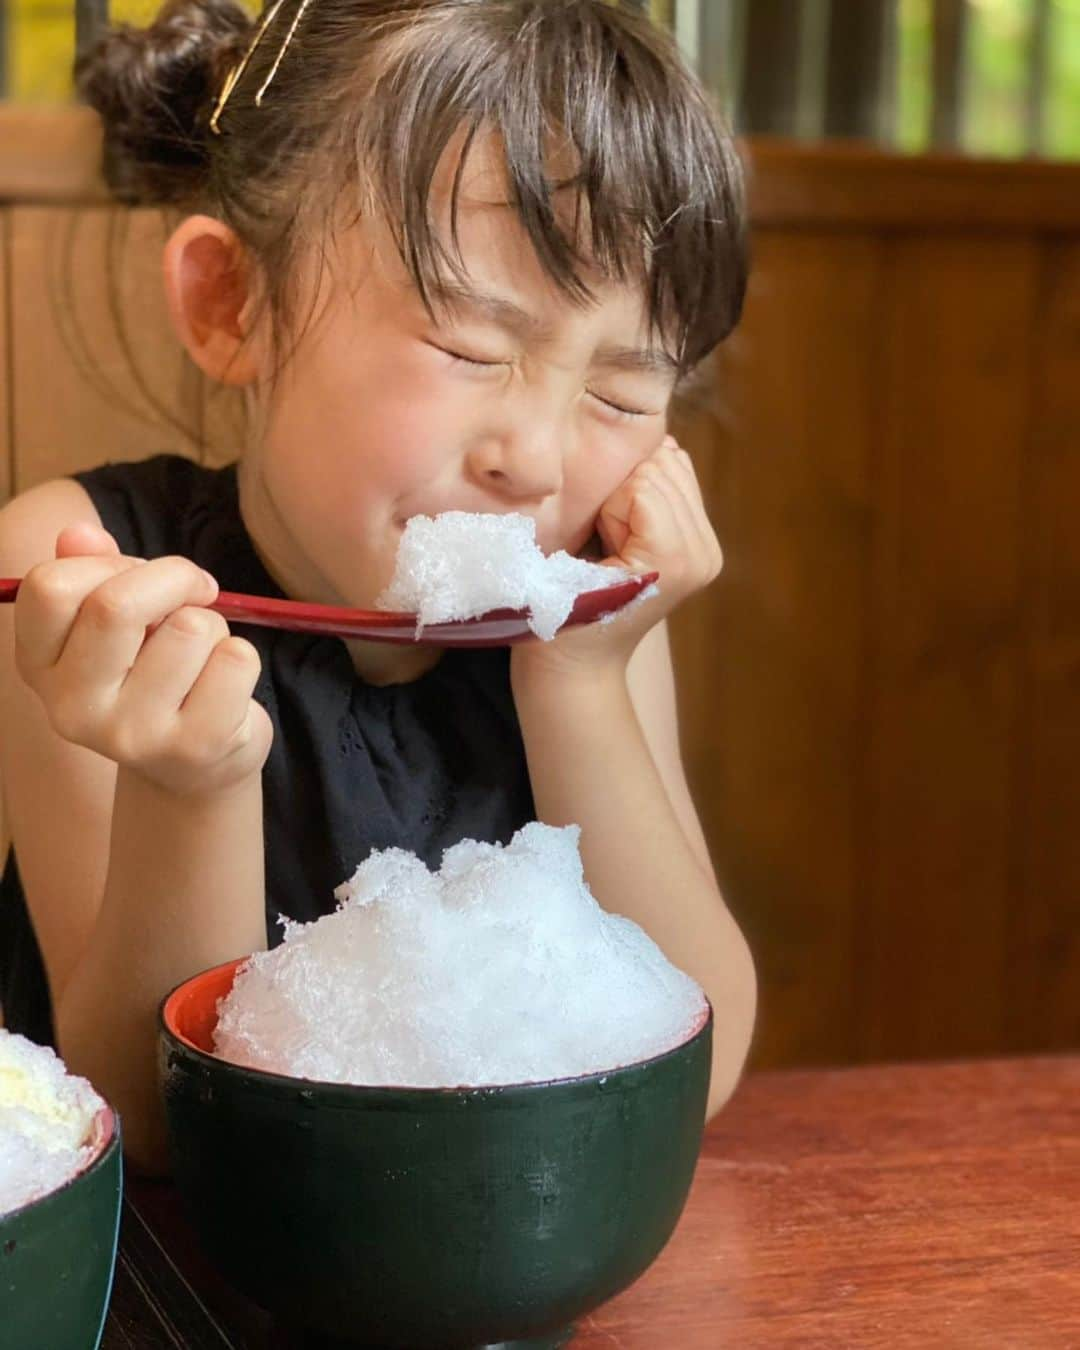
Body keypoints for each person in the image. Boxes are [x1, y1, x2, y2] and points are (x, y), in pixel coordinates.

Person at [0, 0, 755, 1171]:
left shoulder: (594, 605)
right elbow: (154, 1131)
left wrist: (581, 679)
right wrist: (189, 782)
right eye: (466, 349)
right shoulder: (87, 572)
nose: (538, 460)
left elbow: (695, 1064)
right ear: (231, 304)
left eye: (618, 394)